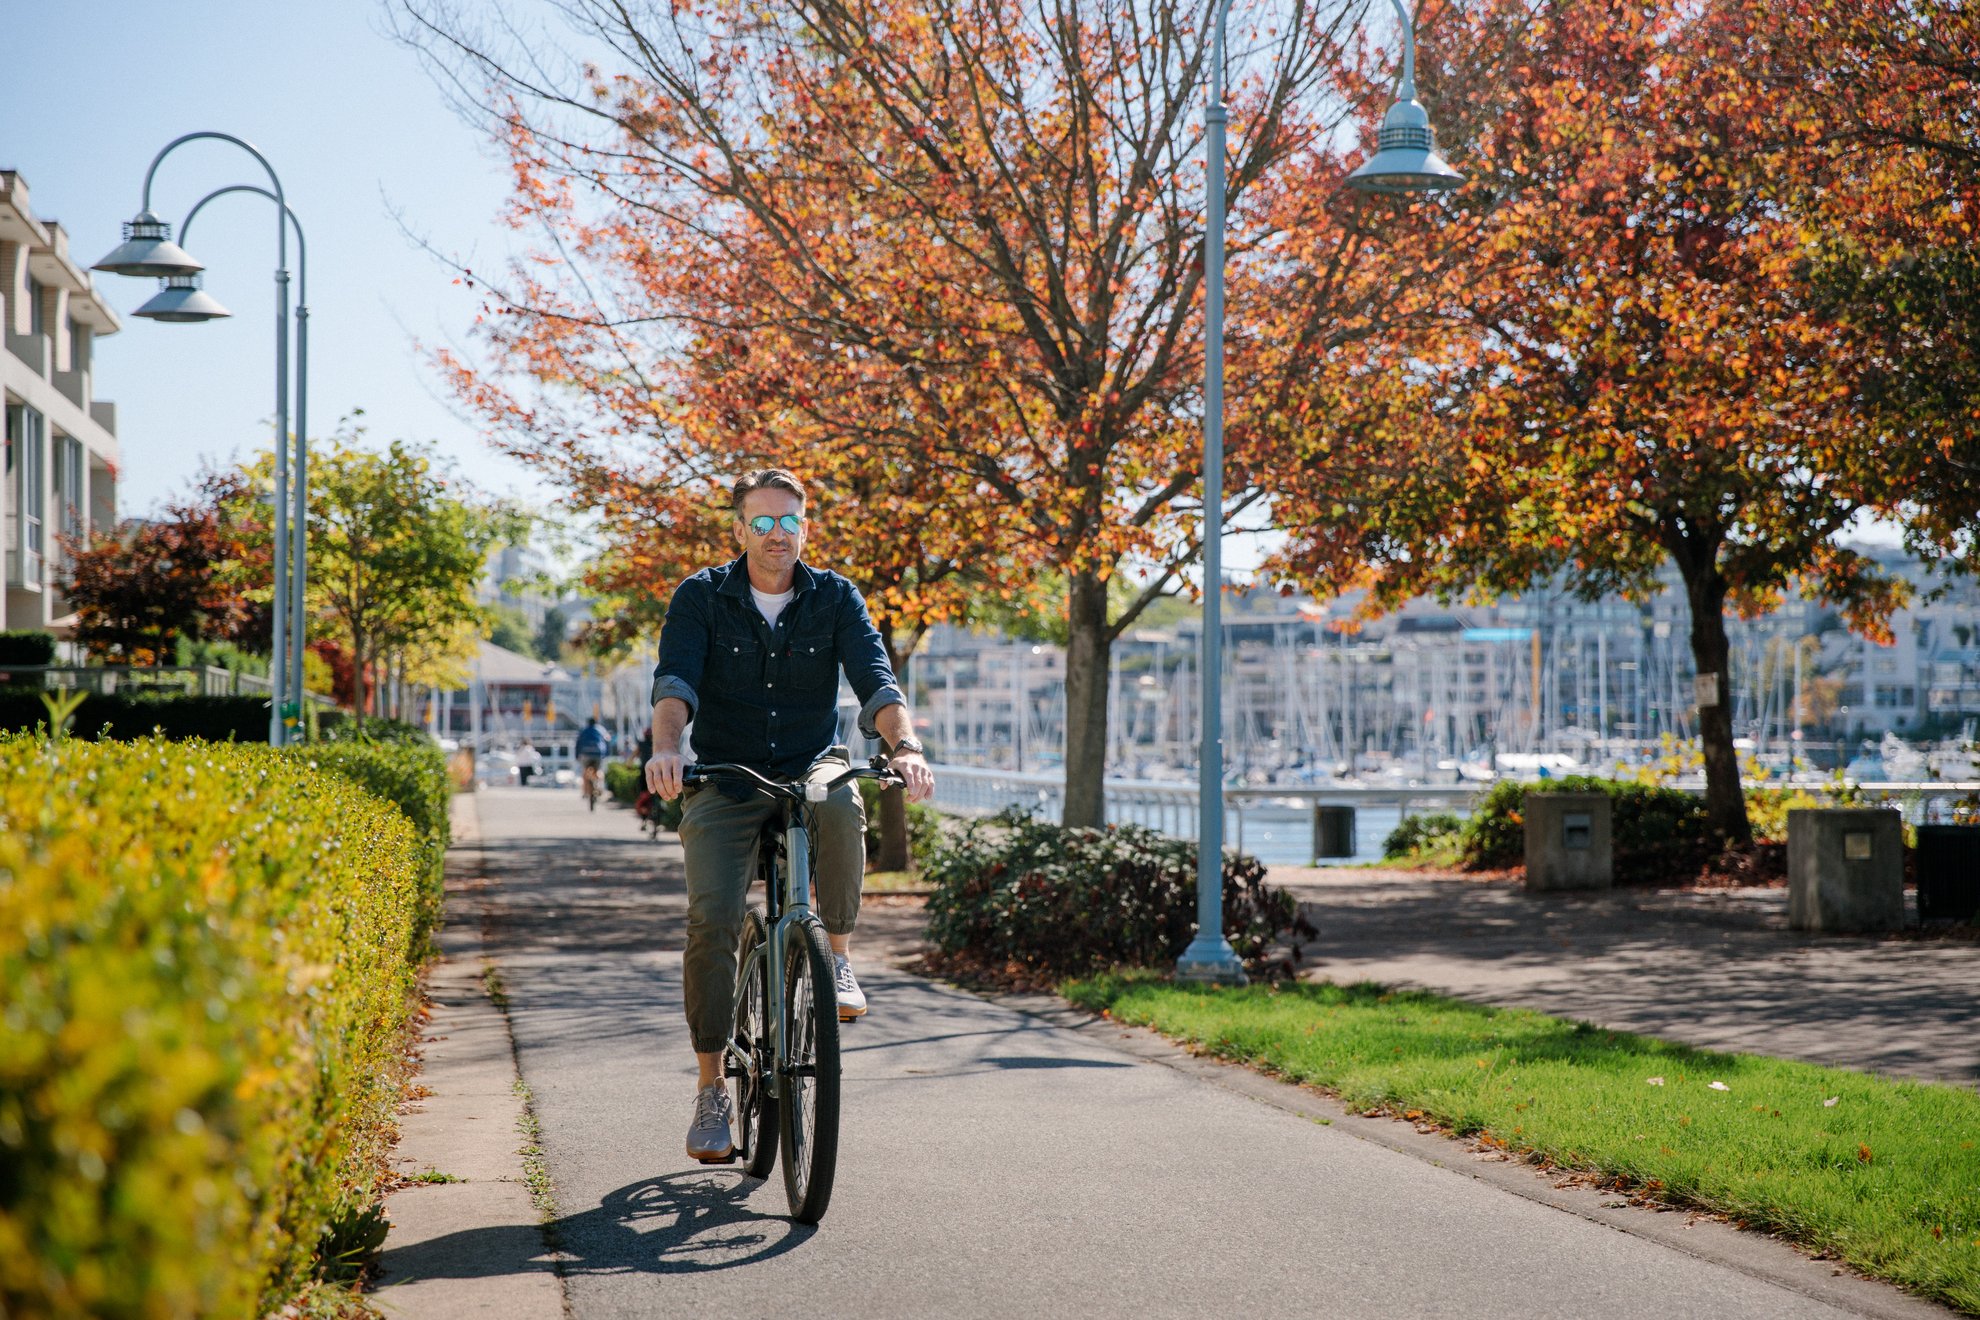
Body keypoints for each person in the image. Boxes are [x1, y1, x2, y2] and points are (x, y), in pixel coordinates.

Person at [646, 467, 934, 1164]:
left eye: (790, 522)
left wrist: (907, 745)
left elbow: (875, 677)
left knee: (841, 802)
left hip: (810, 761)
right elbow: (676, 680)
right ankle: (712, 1087)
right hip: (726, 773)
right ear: (740, 529)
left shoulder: (834, 597)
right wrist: (665, 748)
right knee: (711, 919)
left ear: (807, 528)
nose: (779, 536)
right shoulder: (701, 596)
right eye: (764, 523)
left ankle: (835, 958)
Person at [574, 717, 611, 801]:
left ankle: (585, 792)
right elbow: (607, 741)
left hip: (585, 753)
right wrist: (607, 753)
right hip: (598, 753)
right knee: (599, 771)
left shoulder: (584, 730)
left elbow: (578, 743)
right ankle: (600, 786)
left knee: (585, 771)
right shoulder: (601, 730)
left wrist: (577, 755)